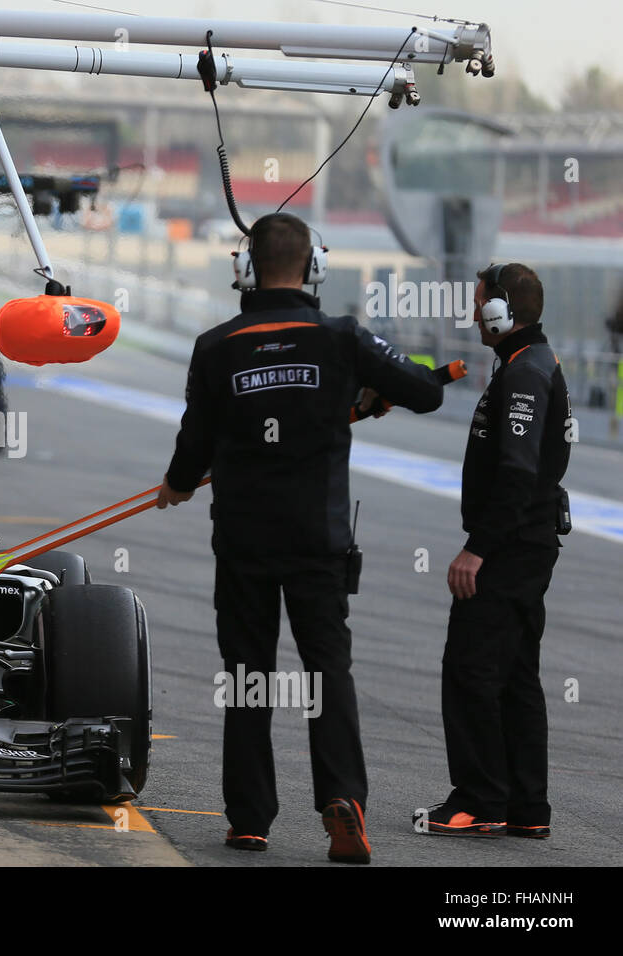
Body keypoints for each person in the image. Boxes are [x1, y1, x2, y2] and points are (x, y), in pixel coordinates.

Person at [154, 212, 444, 864]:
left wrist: (176, 483)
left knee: (248, 675)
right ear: (314, 269)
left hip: (243, 540)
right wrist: (372, 386)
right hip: (318, 540)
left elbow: (195, 442)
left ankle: (250, 819)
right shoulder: (341, 338)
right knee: (327, 672)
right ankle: (342, 798)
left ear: (246, 269)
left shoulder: (217, 345)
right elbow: (425, 392)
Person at [422, 264, 571, 839]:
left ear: (502, 311)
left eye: (479, 303)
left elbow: (517, 471)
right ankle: (527, 808)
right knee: (514, 676)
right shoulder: (524, 363)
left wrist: (477, 550)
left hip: (510, 548)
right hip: (526, 543)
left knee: (471, 668)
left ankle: (480, 799)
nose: (472, 314)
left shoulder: (526, 373)